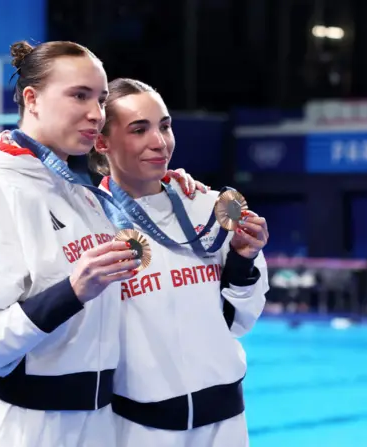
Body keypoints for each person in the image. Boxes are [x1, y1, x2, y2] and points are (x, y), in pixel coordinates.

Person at [0, 41, 205, 447]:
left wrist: (170, 187)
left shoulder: (74, 192)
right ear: (33, 99)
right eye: (79, 96)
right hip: (21, 428)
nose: (96, 114)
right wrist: (72, 291)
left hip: (94, 424)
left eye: (100, 98)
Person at [89, 78, 270, 447]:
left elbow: (239, 320)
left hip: (226, 424)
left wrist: (242, 259)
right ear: (102, 142)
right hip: (137, 429)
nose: (159, 142)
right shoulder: (88, 222)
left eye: (165, 125)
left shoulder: (209, 207)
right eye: (139, 129)